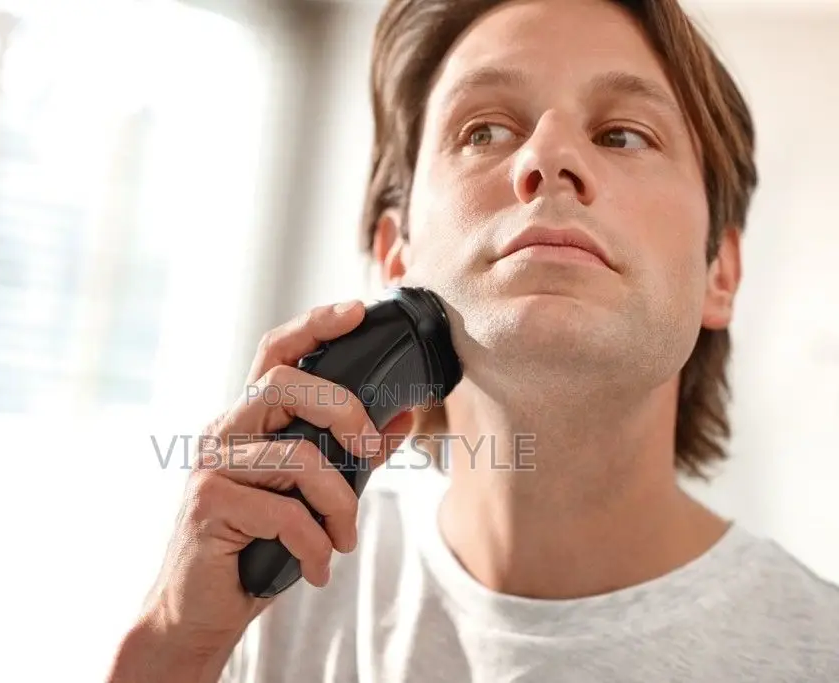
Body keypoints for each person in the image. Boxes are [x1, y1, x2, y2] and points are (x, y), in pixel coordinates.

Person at [106, 0, 839, 680]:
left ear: (721, 271)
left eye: (623, 134)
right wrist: (174, 644)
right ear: (398, 255)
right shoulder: (263, 601)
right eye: (483, 130)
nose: (547, 160)